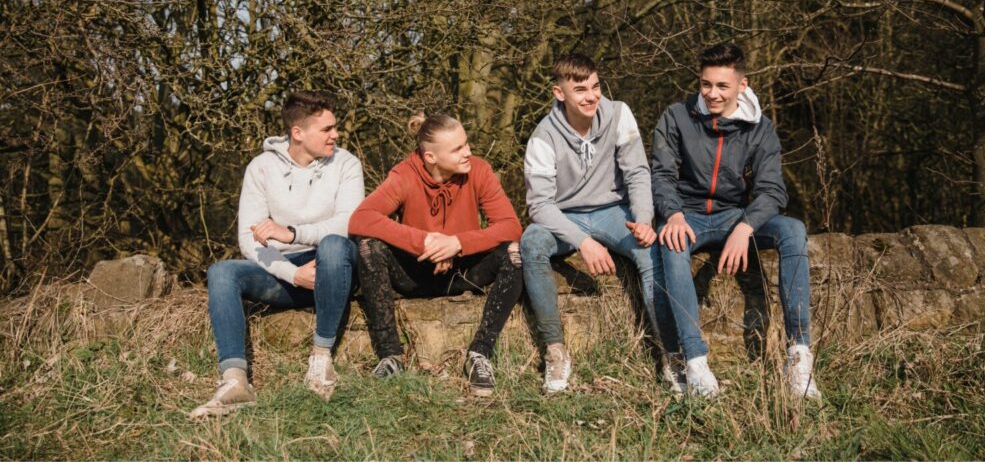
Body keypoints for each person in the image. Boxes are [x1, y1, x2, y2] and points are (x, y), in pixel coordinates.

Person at [651, 43, 820, 399]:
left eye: (722, 86)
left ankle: (799, 356)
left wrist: (745, 227)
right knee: (670, 243)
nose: (711, 93)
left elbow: (772, 190)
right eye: (705, 84)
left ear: (742, 86)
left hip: (736, 216)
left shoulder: (760, 128)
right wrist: (673, 213)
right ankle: (694, 360)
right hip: (688, 215)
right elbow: (661, 174)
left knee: (793, 230)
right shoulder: (676, 116)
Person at [189, 91, 364, 419]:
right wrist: (292, 273)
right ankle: (235, 382)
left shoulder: (346, 164)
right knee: (222, 272)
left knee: (335, 246)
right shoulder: (261, 168)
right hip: (284, 272)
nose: (335, 135)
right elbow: (249, 238)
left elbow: (348, 223)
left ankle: (321, 360)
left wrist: (293, 233)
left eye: (335, 127)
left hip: (332, 266)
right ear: (298, 133)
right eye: (326, 129)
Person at [520, 53, 684, 395]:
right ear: (559, 92)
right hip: (563, 216)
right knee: (532, 243)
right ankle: (555, 351)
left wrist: (643, 219)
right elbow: (540, 205)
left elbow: (638, 172)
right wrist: (583, 241)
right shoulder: (542, 137)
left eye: (595, 86)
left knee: (649, 251)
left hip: (614, 210)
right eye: (580, 89)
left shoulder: (618, 114)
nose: (591, 96)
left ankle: (671, 354)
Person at [348, 113, 523, 397]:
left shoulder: (478, 170)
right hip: (415, 272)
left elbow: (511, 226)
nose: (468, 152)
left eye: (466, 144)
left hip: (462, 272)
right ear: (430, 156)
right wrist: (425, 242)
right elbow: (361, 219)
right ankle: (390, 355)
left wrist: (457, 243)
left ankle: (480, 354)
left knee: (514, 252)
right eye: (457, 149)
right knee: (368, 245)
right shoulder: (405, 174)